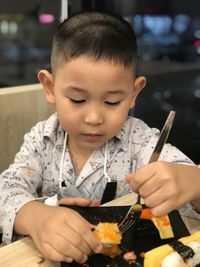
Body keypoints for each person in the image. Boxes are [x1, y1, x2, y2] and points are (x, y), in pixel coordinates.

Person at [0, 11, 200, 263]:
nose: (94, 117)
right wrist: (34, 216)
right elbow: (6, 189)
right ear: (50, 88)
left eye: (112, 101)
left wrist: (195, 184)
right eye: (77, 99)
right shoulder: (42, 139)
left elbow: (186, 189)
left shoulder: (140, 143)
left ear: (133, 93)